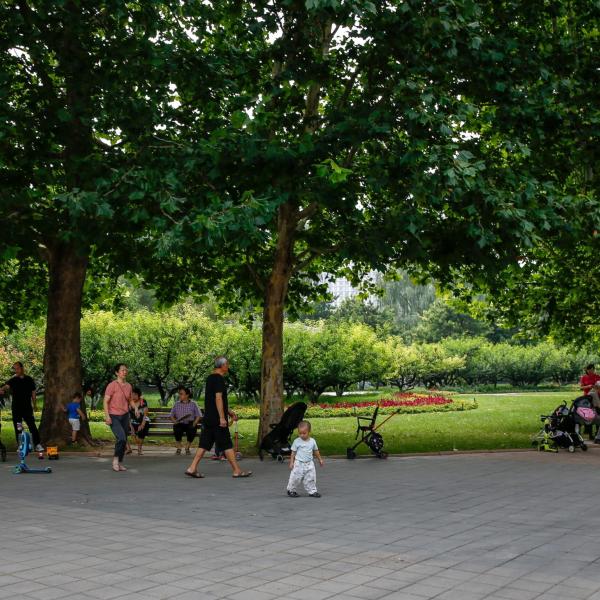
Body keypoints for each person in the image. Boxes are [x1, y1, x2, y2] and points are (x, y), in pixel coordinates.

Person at [185, 356, 251, 479]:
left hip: (209, 417)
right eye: (227, 364)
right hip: (217, 419)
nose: (228, 366)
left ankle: (192, 468)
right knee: (226, 444)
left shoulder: (210, 378)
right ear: (222, 366)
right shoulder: (219, 379)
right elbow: (218, 398)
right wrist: (222, 417)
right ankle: (237, 470)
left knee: (204, 443)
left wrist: (229, 411)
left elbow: (213, 400)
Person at [1, 362, 43, 451]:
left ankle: (37, 444)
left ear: (22, 368)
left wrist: (35, 405)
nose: (16, 370)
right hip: (16, 408)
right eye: (14, 369)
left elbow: (33, 392)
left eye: (17, 368)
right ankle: (20, 445)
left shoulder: (29, 379)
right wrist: (1, 389)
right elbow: (6, 387)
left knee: (32, 425)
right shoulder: (13, 380)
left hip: (27, 407)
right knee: (18, 426)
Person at [103, 363, 132, 472]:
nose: (125, 372)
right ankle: (115, 460)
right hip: (113, 415)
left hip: (125, 415)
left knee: (123, 441)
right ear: (117, 373)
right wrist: (107, 416)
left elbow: (129, 400)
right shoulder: (112, 385)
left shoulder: (129, 386)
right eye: (122, 370)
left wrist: (136, 408)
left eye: (126, 370)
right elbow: (105, 401)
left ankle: (119, 463)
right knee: (121, 438)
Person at [286, 420, 324, 498]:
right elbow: (293, 453)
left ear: (309, 431)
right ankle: (291, 490)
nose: (302, 435)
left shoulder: (312, 441)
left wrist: (320, 459)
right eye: (300, 433)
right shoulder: (297, 441)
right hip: (299, 463)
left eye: (304, 433)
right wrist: (291, 462)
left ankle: (312, 491)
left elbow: (316, 451)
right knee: (295, 477)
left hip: (309, 463)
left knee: (311, 477)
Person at [170, 386, 202, 455]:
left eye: (181, 394)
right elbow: (171, 415)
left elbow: (199, 415)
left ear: (187, 395)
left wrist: (194, 423)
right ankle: (179, 447)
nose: (179, 395)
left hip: (190, 423)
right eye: (179, 394)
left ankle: (187, 447)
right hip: (180, 423)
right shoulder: (176, 404)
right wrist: (174, 421)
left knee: (192, 429)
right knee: (177, 429)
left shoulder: (193, 404)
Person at [129, 387, 150, 455]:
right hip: (132, 422)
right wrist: (131, 428)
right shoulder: (129, 403)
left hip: (142, 421)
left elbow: (145, 414)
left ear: (139, 395)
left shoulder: (143, 401)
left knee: (142, 429)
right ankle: (128, 448)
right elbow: (127, 417)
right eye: (132, 394)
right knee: (122, 429)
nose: (133, 396)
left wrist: (142, 424)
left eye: (135, 394)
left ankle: (139, 448)